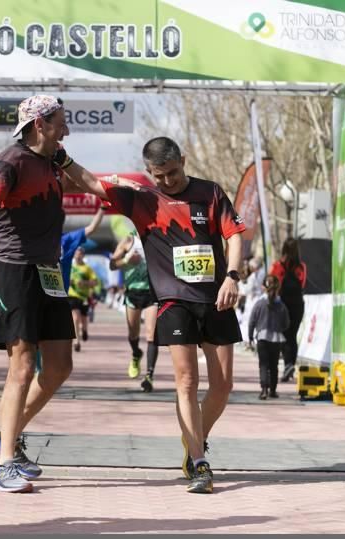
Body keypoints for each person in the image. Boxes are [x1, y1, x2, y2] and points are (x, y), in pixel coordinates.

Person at [0, 95, 118, 493]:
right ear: (40, 124)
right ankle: (3, 464)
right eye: (61, 124)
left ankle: (5, 436)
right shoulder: (12, 161)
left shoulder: (56, 159)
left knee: (58, 367)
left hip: (49, 270)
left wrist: (128, 190)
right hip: (13, 269)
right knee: (21, 366)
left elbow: (95, 186)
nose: (67, 130)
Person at [95, 137, 245, 494]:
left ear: (184, 160)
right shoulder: (143, 198)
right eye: (158, 176)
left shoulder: (210, 192)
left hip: (215, 298)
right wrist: (115, 180)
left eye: (173, 172)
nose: (167, 181)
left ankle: (193, 438)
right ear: (149, 172)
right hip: (173, 301)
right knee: (187, 382)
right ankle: (199, 461)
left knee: (223, 386)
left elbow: (235, 235)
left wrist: (233, 276)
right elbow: (84, 183)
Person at [110, 230, 159, 392]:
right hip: (133, 293)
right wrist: (126, 259)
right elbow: (112, 264)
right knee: (133, 334)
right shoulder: (129, 240)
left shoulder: (156, 238)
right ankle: (136, 353)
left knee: (151, 334)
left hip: (152, 293)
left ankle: (149, 376)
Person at [269, 238, 306, 383]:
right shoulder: (301, 267)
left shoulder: (278, 265)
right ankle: (290, 365)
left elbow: (271, 282)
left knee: (284, 335)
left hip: (282, 305)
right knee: (293, 335)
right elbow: (302, 284)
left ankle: (287, 364)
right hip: (298, 304)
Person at [248, 275, 290, 400]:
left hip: (262, 338)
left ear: (263, 288)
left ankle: (264, 389)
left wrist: (250, 336)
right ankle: (273, 390)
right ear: (278, 288)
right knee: (274, 365)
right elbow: (286, 323)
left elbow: (252, 321)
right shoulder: (281, 305)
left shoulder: (259, 304)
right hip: (276, 339)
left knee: (263, 364)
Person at [67, 247, 98, 352]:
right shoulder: (69, 266)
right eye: (76, 253)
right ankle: (77, 341)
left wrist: (84, 283)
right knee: (75, 318)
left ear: (83, 256)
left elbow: (95, 282)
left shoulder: (87, 268)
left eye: (80, 254)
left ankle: (84, 330)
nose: (78, 255)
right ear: (74, 255)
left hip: (84, 297)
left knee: (84, 318)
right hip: (72, 295)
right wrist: (67, 281)